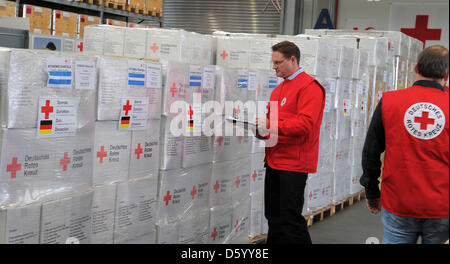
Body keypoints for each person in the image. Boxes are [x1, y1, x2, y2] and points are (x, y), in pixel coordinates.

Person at [360, 45, 449, 244]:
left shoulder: (390, 102)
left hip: (399, 202)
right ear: (447, 74)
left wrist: (372, 191)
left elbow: (371, 152)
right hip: (442, 206)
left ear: (416, 68)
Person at [255, 41, 326, 244]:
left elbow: (305, 125)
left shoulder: (310, 87)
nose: (274, 67)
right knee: (273, 217)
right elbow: (275, 126)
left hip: (294, 163)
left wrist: (270, 124)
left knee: (289, 219)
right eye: (273, 62)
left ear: (293, 60)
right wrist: (262, 132)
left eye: (278, 62)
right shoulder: (278, 90)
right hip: (274, 160)